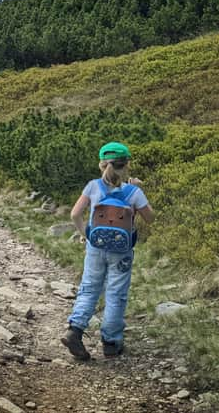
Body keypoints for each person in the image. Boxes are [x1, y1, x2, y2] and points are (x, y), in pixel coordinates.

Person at [62, 142, 154, 360]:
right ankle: (111, 343)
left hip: (95, 247)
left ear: (102, 164)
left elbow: (75, 214)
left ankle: (75, 330)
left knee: (89, 288)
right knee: (116, 293)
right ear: (127, 165)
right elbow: (150, 218)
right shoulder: (134, 191)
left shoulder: (93, 186)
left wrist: (87, 234)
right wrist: (136, 193)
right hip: (122, 251)